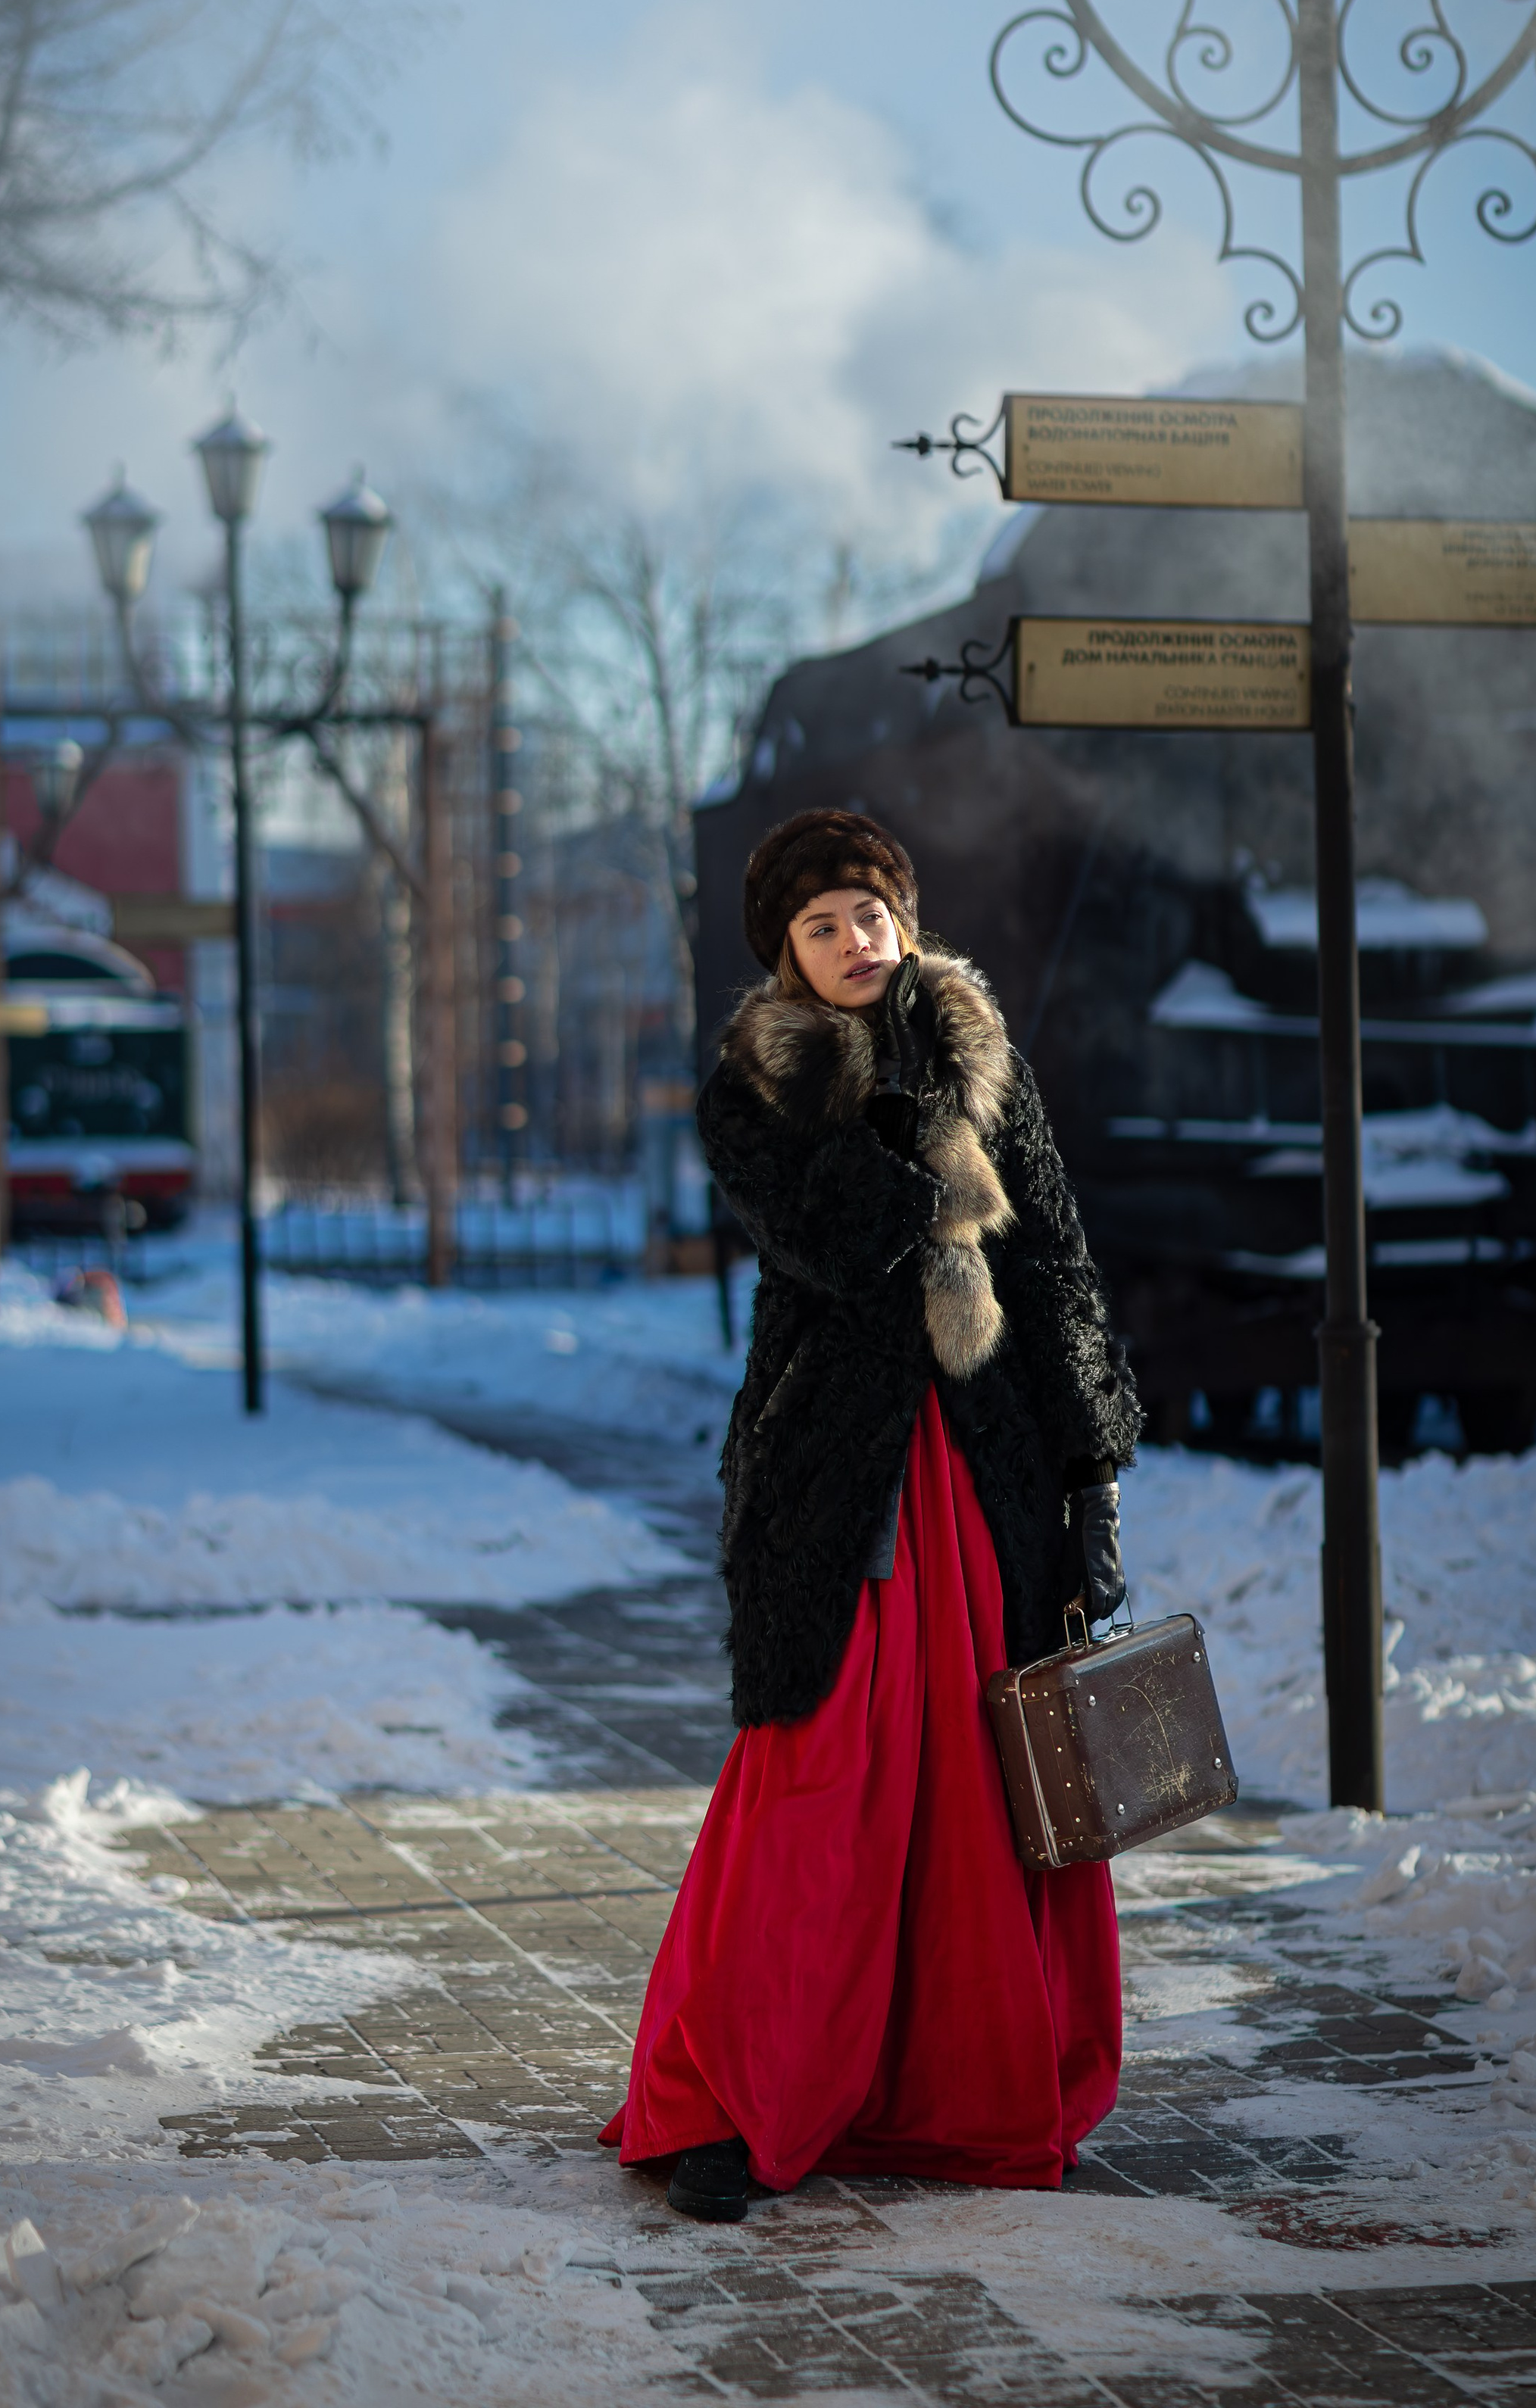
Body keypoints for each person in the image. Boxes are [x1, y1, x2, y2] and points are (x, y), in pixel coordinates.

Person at [601, 807, 1139, 2222]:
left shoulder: (982, 1059)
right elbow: (830, 1238)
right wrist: (901, 1118)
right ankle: (744, 2098)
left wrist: (1094, 1479)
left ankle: (959, 2091)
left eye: (873, 915)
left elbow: (1064, 1276)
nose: (855, 941)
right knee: (818, 1780)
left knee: (981, 1786)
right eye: (822, 924)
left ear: (907, 919)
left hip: (986, 1480)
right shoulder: (758, 1082)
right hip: (837, 1482)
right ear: (784, 950)